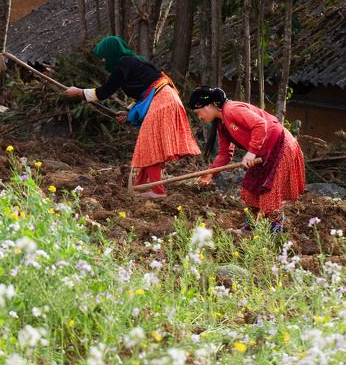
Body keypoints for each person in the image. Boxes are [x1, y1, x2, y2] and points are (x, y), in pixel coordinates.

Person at [64, 36, 200, 198]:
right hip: (166, 99)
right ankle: (141, 186)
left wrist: (79, 92)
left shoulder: (123, 65)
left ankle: (157, 191)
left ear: (111, 53)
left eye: (104, 57)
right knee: (148, 143)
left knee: (150, 144)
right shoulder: (134, 63)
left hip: (162, 101)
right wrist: (129, 113)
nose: (103, 61)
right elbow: (143, 93)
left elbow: (103, 92)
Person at [188, 86, 305, 233]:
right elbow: (225, 154)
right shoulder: (221, 124)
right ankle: (249, 228)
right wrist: (211, 173)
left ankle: (275, 233)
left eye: (199, 112)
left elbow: (260, 124)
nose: (200, 117)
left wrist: (251, 153)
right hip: (261, 152)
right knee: (250, 188)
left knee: (270, 193)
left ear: (210, 105)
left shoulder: (232, 109)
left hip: (280, 145)